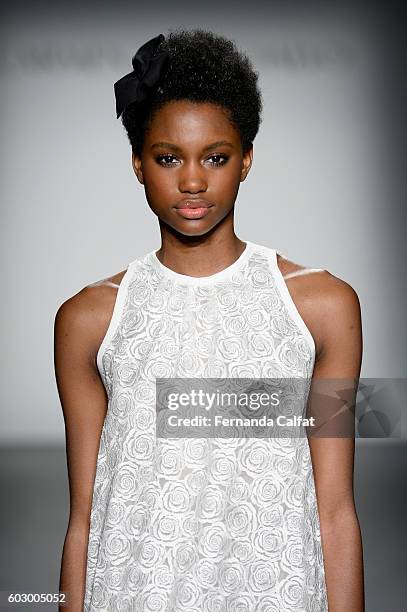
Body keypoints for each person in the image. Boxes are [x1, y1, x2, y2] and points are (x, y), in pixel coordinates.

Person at [54, 28, 364, 611]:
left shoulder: (321, 309)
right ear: (137, 164)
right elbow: (84, 519)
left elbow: (337, 510)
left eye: (215, 157)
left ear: (246, 158)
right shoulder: (90, 319)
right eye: (168, 157)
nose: (192, 181)